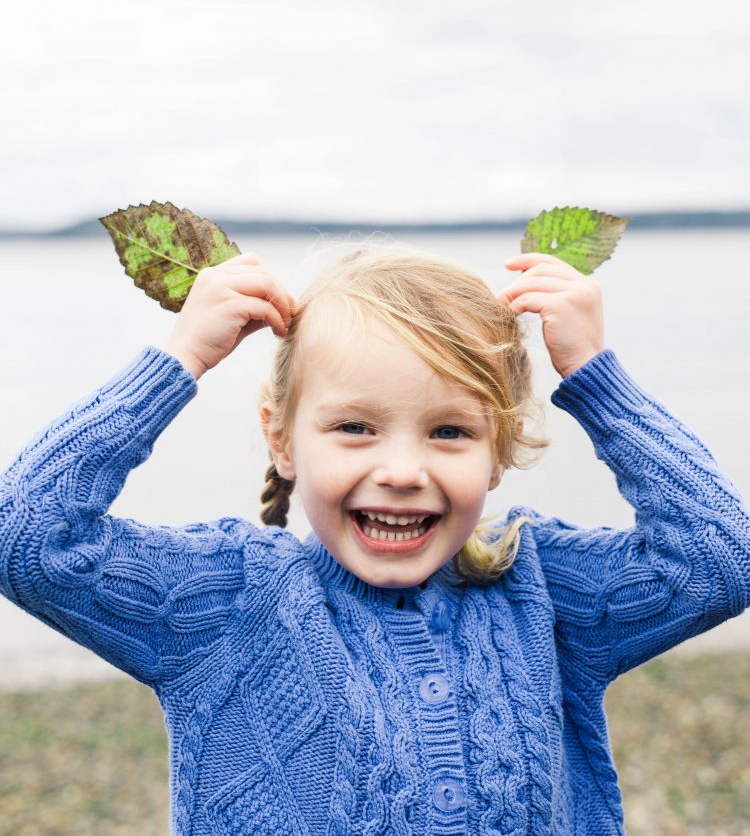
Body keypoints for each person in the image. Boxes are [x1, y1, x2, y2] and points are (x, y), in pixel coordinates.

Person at [1, 244, 748, 835]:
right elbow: (27, 533)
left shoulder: (539, 586)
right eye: (354, 427)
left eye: (449, 430)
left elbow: (719, 557)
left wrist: (595, 375)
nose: (400, 470)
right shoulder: (229, 602)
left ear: (502, 448)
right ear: (282, 440)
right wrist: (178, 361)